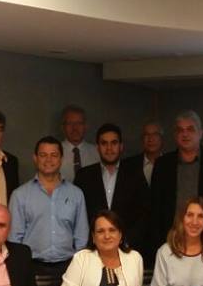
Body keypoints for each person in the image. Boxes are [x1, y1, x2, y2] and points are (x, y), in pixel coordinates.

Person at [9, 136, 89, 286]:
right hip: (32, 267)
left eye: (54, 155)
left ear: (61, 159)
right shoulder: (20, 195)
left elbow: (81, 236)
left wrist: (79, 268)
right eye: (43, 155)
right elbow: (14, 239)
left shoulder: (76, 194)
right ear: (35, 158)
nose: (48, 160)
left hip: (69, 268)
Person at [149, 110, 203, 254]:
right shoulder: (162, 164)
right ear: (175, 135)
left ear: (200, 133)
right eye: (180, 130)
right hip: (171, 240)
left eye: (190, 129)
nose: (185, 134)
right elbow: (155, 207)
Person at [74, 123, 149, 254]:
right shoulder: (84, 176)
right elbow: (78, 215)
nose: (109, 148)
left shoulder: (135, 175)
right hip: (92, 250)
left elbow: (144, 214)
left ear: (121, 146)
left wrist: (126, 241)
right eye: (104, 143)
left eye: (114, 143)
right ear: (97, 147)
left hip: (126, 249)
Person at [58, 210, 143, 286]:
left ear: (120, 235)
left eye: (112, 230)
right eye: (100, 231)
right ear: (93, 237)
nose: (107, 236)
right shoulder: (81, 259)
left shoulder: (135, 258)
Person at [58, 104, 98, 182]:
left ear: (86, 126)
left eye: (79, 123)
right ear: (63, 127)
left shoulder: (97, 152)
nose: (75, 128)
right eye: (70, 123)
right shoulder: (54, 152)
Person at [121, 120, 163, 187]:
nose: (150, 139)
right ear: (142, 139)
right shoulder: (128, 165)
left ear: (161, 138)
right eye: (146, 135)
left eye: (155, 134)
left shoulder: (171, 164)